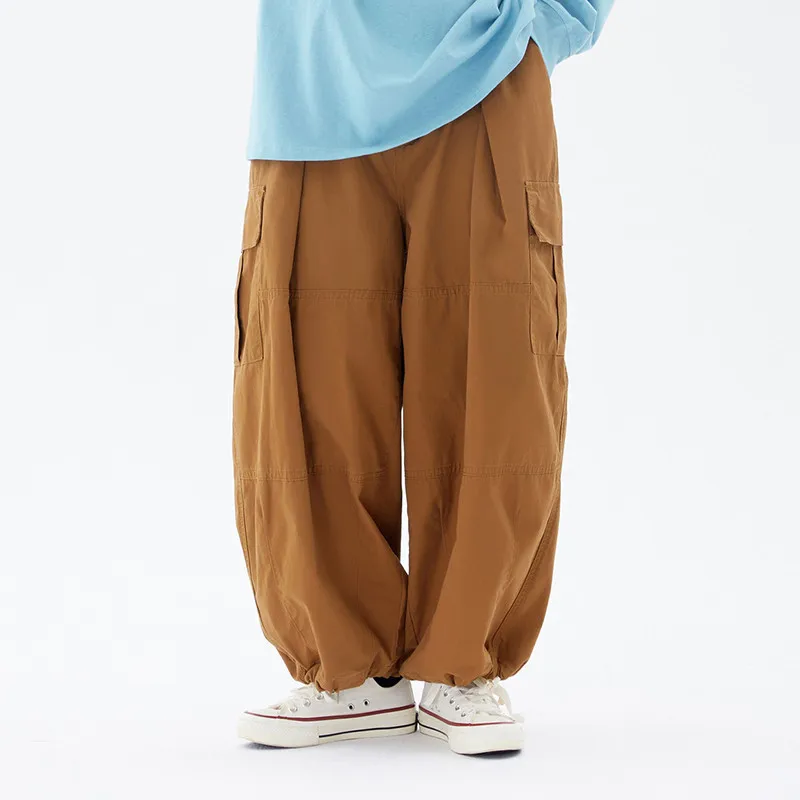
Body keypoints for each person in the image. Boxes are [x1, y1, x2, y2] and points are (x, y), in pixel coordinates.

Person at [233, 0, 614, 755]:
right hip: (315, 82)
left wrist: (552, 21)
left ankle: (461, 665)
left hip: (487, 69)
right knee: (313, 391)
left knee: (496, 384)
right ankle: (350, 674)